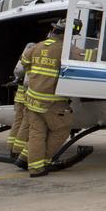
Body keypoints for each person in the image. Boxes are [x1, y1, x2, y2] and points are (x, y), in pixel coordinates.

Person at [22, 19, 75, 178]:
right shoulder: (64, 50)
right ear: (65, 34)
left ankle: (34, 167)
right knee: (61, 129)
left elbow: (24, 61)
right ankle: (44, 161)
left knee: (37, 133)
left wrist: (35, 76)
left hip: (32, 100)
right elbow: (87, 56)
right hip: (51, 102)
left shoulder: (38, 46)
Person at [6, 41, 37, 159]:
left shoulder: (22, 60)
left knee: (18, 122)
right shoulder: (33, 59)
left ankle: (12, 148)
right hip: (26, 97)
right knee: (25, 123)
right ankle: (18, 150)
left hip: (19, 97)